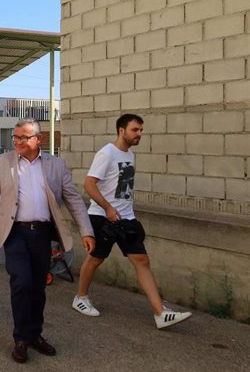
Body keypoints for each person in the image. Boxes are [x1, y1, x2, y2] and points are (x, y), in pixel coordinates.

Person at [0, 118, 95, 363]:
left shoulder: (55, 165)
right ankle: (21, 339)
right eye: (15, 137)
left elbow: (74, 199)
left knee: (37, 288)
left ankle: (35, 334)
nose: (18, 142)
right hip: (15, 233)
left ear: (38, 139)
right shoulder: (4, 162)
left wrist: (87, 231)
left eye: (23, 137)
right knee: (21, 283)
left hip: (42, 234)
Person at [72, 114, 192, 329]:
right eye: (135, 130)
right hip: (102, 217)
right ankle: (80, 298)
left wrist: (125, 212)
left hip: (126, 219)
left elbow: (122, 190)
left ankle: (160, 313)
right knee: (95, 259)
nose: (139, 134)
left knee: (142, 261)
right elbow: (89, 185)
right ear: (122, 130)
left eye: (141, 131)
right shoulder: (106, 153)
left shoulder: (130, 155)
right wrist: (108, 208)